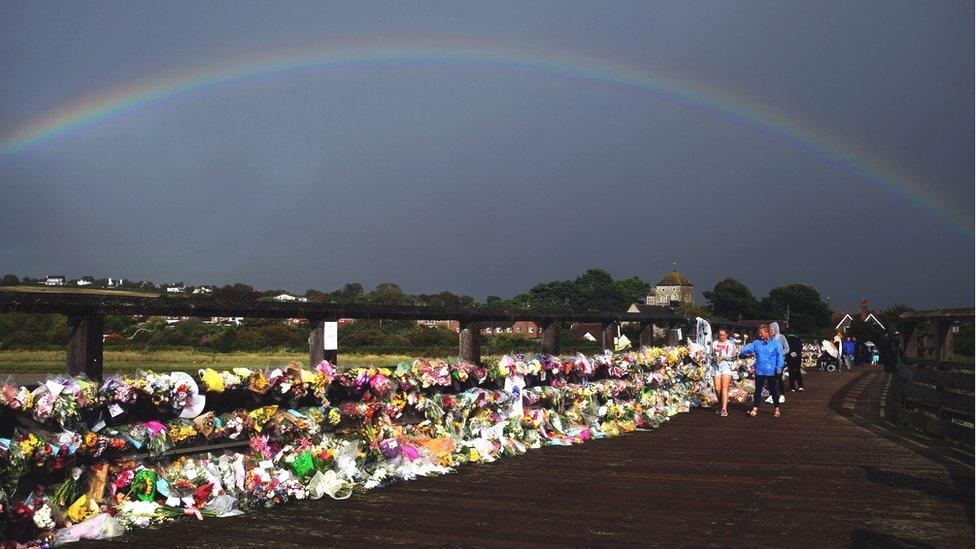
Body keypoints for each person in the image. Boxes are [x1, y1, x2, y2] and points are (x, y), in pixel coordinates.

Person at [739, 324, 784, 417]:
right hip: (760, 370)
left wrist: (779, 367)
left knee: (774, 390)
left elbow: (780, 356)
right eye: (759, 333)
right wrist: (744, 350)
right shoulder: (756, 343)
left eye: (761, 333)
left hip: (772, 370)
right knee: (758, 390)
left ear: (767, 333)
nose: (760, 335)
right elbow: (745, 349)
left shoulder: (775, 343)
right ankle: (755, 407)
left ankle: (777, 408)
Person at [711, 328, 737, 417]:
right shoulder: (714, 343)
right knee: (717, 389)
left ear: (727, 335)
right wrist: (713, 358)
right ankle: (721, 403)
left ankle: (724, 409)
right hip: (716, 366)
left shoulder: (731, 344)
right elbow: (710, 355)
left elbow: (734, 357)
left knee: (724, 387)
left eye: (723, 335)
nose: (721, 337)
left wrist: (724, 357)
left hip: (726, 366)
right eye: (720, 335)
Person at [769, 322, 789, 403]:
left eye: (771, 329)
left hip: (780, 361)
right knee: (770, 378)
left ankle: (781, 395)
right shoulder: (769, 338)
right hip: (771, 361)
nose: (770, 331)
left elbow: (787, 349)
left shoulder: (781, 337)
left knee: (778, 378)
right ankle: (771, 395)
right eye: (769, 330)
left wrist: (780, 353)